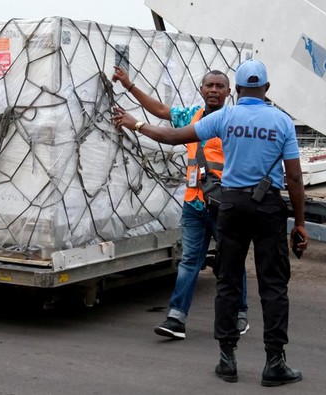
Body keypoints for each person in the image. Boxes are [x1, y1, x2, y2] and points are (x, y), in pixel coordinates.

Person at [111, 59, 308, 387]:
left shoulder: (223, 117)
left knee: (227, 281)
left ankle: (227, 359)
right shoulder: (282, 122)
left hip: (229, 204)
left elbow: (172, 136)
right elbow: (295, 176)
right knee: (273, 286)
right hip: (268, 207)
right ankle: (274, 362)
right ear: (267, 89)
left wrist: (136, 125)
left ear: (238, 89)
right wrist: (300, 223)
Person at [111, 66, 250, 340]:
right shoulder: (191, 116)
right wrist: (129, 86)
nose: (213, 90)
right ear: (201, 89)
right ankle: (176, 318)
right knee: (188, 261)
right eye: (208, 85)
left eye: (219, 86)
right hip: (195, 205)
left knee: (231, 261)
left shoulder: (235, 121)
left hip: (225, 205)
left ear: (228, 91)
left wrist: (136, 124)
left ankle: (239, 314)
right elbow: (162, 111)